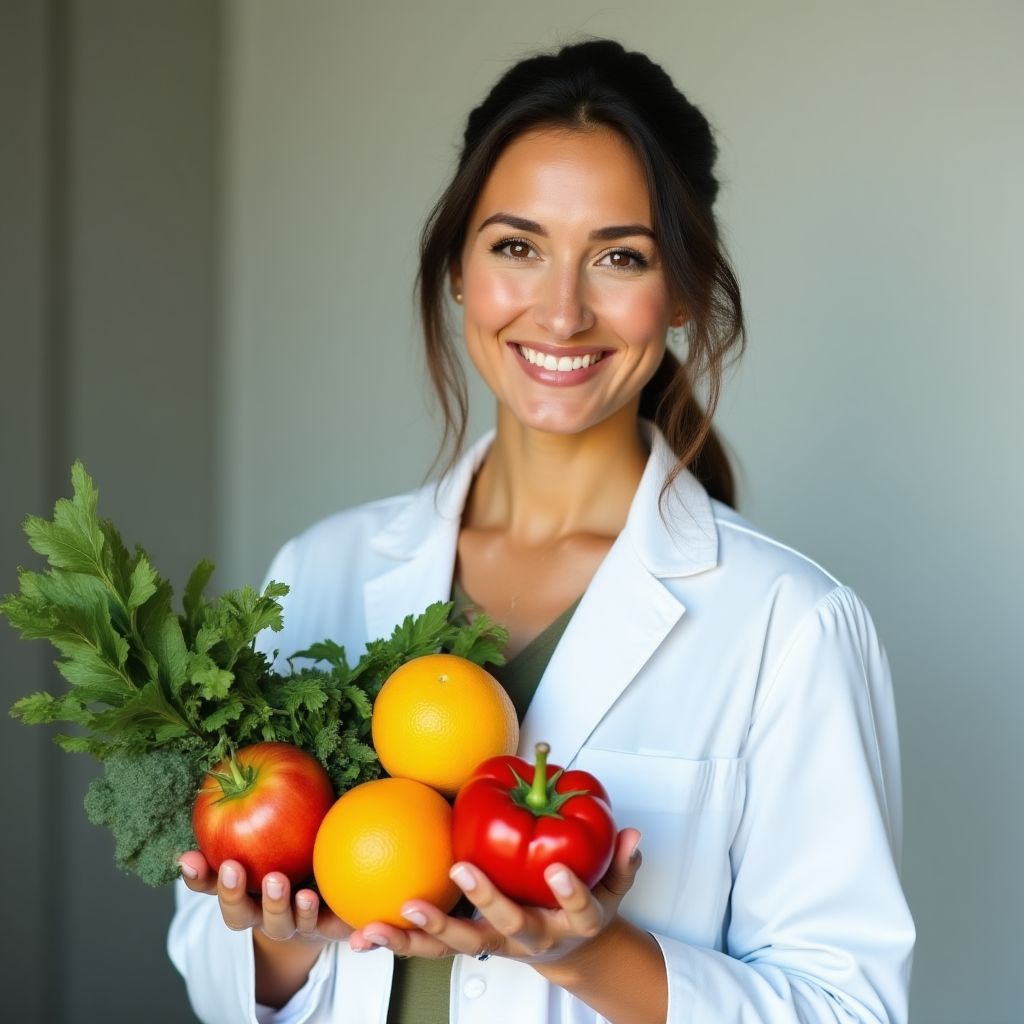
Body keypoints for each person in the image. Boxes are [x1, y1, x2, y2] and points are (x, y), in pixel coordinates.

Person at [169, 38, 915, 1024]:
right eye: (517, 246)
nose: (561, 312)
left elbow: (849, 1009)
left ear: (683, 291)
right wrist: (275, 933)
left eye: (618, 257)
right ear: (458, 272)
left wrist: (593, 955)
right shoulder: (322, 571)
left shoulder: (791, 625)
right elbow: (215, 976)